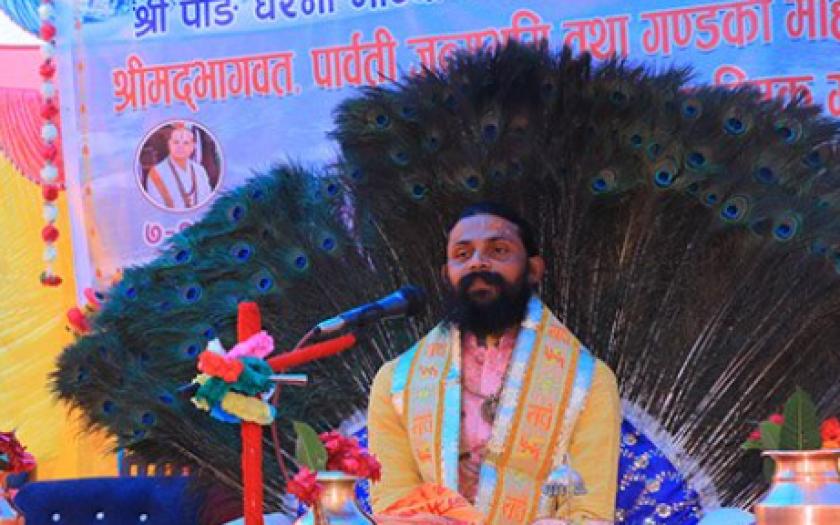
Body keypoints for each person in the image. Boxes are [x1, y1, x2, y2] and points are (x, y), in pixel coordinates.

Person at [368, 202, 621, 525]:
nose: (477, 262)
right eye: (462, 254)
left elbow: (588, 513)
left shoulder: (588, 382)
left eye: (498, 250)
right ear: (447, 275)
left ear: (533, 269)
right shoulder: (396, 383)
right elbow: (394, 504)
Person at [144, 123, 213, 210]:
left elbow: (208, 200)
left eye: (186, 143)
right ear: (169, 144)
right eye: (176, 142)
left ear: (193, 147)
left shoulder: (200, 170)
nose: (180, 147)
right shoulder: (155, 173)